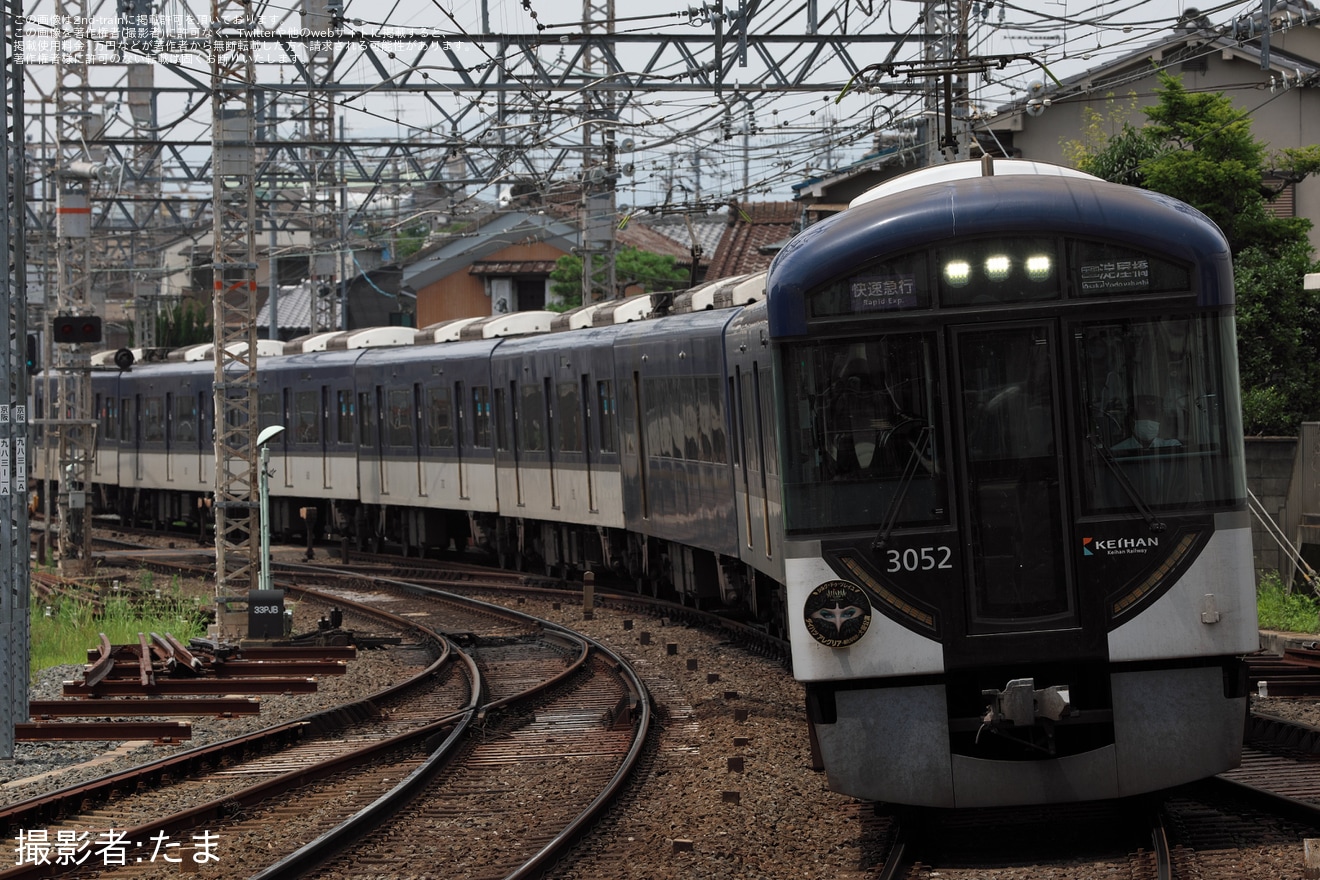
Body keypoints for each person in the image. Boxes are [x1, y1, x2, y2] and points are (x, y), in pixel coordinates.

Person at [1113, 395, 1182, 451]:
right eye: (1143, 416)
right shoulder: (1118, 450)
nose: (1149, 421)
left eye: (1153, 416)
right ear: (1131, 420)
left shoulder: (1172, 446)